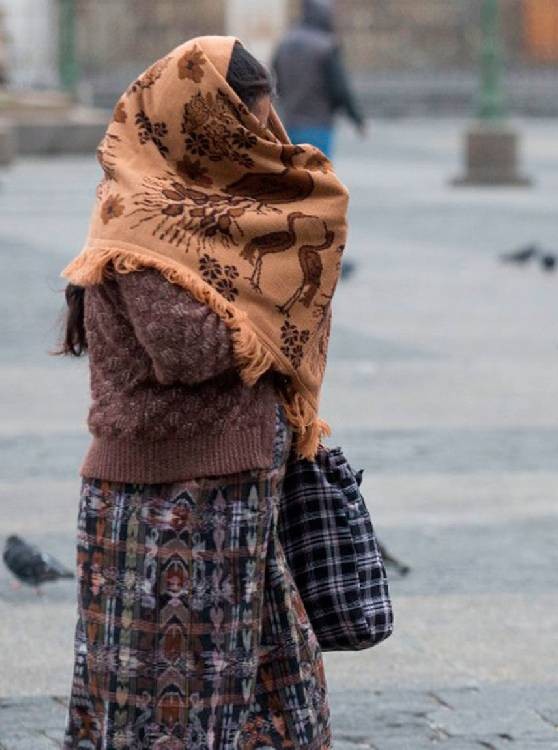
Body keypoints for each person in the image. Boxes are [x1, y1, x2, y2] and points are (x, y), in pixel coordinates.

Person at [59, 35, 348, 749]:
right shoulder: (145, 216)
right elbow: (186, 350)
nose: (264, 137)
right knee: (168, 699)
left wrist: (272, 287)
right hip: (169, 499)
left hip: (235, 488)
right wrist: (271, 303)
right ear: (203, 125)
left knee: (261, 691)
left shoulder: (226, 211)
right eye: (247, 122)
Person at [273, 0, 365, 158]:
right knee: (319, 176)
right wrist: (357, 118)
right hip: (318, 124)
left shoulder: (285, 44)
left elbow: (276, 81)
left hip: (290, 122)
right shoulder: (326, 46)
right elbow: (340, 89)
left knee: (294, 175)